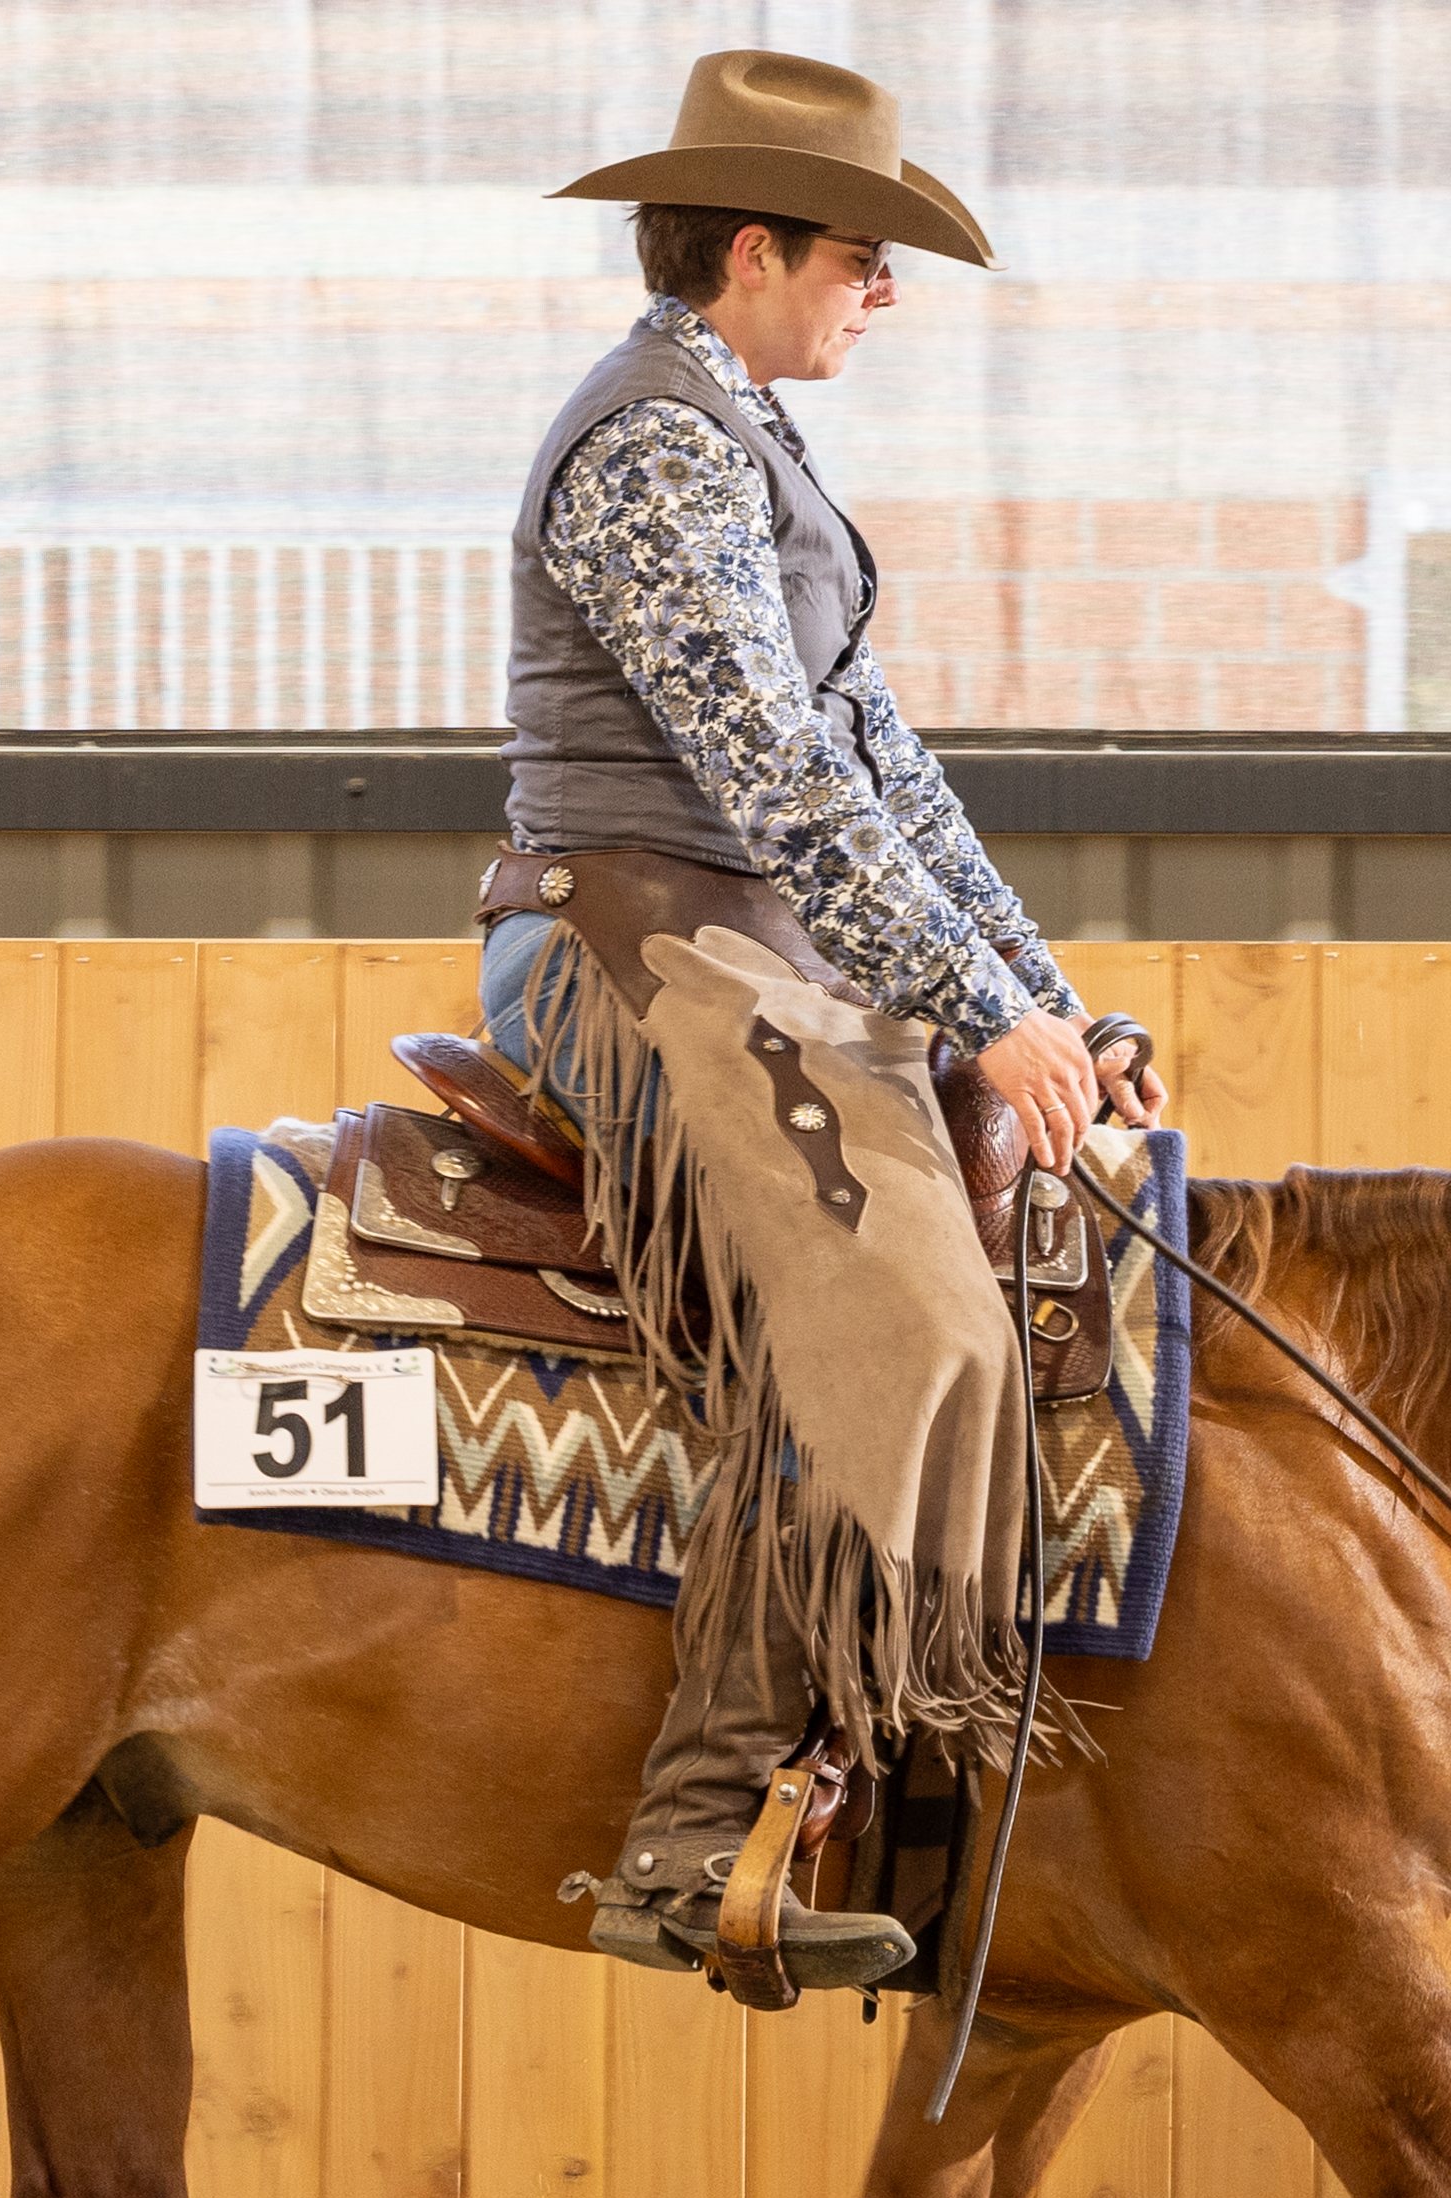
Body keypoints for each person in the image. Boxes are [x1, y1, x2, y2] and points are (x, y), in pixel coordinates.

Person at [484, 48, 1166, 1990]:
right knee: (902, 1313)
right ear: (753, 252)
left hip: (749, 949)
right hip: (632, 945)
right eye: (864, 258)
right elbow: (777, 779)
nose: (885, 293)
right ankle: (700, 1830)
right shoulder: (656, 449)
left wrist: (1043, 1012)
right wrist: (967, 1008)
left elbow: (889, 778)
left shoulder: (744, 442)